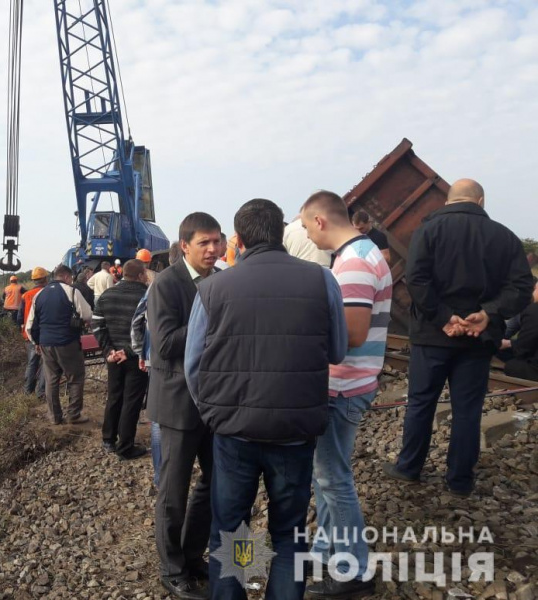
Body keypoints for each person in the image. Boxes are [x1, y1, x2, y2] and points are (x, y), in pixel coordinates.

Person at [186, 198, 347, 600]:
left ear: (236, 241)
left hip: (235, 434)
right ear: (282, 233)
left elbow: (193, 365)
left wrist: (213, 413)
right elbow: (338, 351)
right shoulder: (322, 279)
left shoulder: (212, 288)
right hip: (294, 434)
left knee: (234, 527)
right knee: (289, 534)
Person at [382, 179, 533, 497]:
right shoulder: (504, 237)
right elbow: (521, 287)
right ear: (481, 201)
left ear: (450, 200)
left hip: (433, 336)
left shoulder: (428, 230)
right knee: (468, 408)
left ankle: (409, 468)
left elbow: (417, 280)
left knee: (421, 402)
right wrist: (488, 313)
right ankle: (460, 480)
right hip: (479, 340)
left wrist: (444, 318)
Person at [300, 191, 392, 598]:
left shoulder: (353, 262)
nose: (306, 235)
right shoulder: (360, 253)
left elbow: (351, 334)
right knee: (326, 476)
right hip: (349, 382)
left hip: (343, 385)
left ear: (320, 221)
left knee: (333, 478)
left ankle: (355, 571)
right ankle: (325, 550)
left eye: (305, 226)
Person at [148, 212, 221, 600]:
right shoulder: (167, 283)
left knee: (215, 483)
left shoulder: (220, 279)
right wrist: (214, 324)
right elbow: (165, 344)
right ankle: (172, 569)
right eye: (204, 243)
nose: (212, 249)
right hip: (178, 405)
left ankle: (193, 556)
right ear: (185, 245)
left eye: (216, 241)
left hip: (213, 403)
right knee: (173, 491)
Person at [132, 241, 182, 489]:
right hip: (174, 360)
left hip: (156, 360)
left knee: (159, 418)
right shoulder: (162, 282)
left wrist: (141, 352)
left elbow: (137, 321)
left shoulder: (154, 285)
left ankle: (162, 477)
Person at [93, 259, 151, 459]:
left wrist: (109, 351)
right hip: (136, 358)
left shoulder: (106, 296)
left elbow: (97, 326)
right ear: (141, 275)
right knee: (132, 401)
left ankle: (108, 439)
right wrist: (128, 350)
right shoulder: (146, 296)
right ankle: (125, 446)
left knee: (114, 396)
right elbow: (147, 330)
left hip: (113, 358)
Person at [27, 264, 93, 425]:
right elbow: (88, 314)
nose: (71, 281)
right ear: (65, 276)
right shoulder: (71, 292)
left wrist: (36, 342)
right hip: (67, 342)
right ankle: (74, 415)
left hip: (46, 344)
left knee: (51, 380)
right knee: (75, 377)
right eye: (70, 278)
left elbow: (31, 325)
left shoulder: (39, 295)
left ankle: (54, 416)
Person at [18, 267, 48, 400]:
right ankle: (41, 392)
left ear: (34, 280)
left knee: (32, 362)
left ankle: (28, 391)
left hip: (29, 335)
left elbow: (19, 318)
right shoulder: (48, 293)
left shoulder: (26, 295)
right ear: (45, 279)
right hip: (45, 334)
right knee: (46, 363)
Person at [501, 277, 538, 381]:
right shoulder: (523, 309)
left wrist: (509, 344)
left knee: (511, 366)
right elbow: (509, 330)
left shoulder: (533, 311)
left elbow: (524, 347)